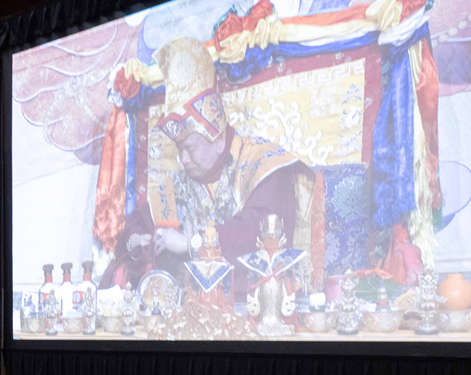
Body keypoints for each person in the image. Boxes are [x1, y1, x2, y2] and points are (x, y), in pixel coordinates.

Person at [97, 36, 318, 299]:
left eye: (189, 148)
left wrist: (191, 244)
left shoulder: (263, 163)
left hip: (259, 299)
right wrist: (139, 241)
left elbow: (256, 232)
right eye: (179, 150)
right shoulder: (185, 180)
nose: (183, 159)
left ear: (217, 138)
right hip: (194, 304)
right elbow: (140, 223)